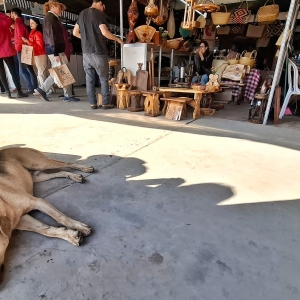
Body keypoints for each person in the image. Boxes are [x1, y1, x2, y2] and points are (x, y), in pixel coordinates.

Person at [73, 0, 124, 110]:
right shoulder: (99, 14)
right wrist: (117, 39)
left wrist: (87, 40)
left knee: (89, 78)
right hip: (98, 52)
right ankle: (106, 102)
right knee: (103, 78)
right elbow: (104, 32)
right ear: (100, 3)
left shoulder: (82, 14)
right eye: (103, 7)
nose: (103, 10)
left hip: (86, 53)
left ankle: (93, 103)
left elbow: (75, 32)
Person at [34, 0, 79, 102]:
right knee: (63, 72)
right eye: (59, 8)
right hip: (56, 51)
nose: (61, 11)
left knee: (57, 72)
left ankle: (42, 89)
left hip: (53, 50)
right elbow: (52, 37)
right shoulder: (52, 19)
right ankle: (67, 95)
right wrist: (55, 53)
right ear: (53, 7)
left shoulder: (49, 18)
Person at [0, 11, 28, 98]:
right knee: (13, 71)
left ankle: (7, 92)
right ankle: (19, 91)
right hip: (6, 49)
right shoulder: (2, 18)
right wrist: (5, 16)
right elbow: (9, 22)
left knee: (1, 72)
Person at [11, 7, 38, 94]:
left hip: (21, 49)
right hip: (26, 48)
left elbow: (20, 38)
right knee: (30, 69)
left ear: (14, 14)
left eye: (11, 14)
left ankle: (30, 88)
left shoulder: (18, 24)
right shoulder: (21, 23)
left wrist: (16, 45)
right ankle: (35, 87)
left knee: (22, 70)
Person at [22, 18, 48, 87]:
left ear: (37, 24)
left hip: (40, 55)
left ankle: (43, 89)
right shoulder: (33, 33)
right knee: (41, 73)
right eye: (30, 23)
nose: (31, 25)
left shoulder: (37, 33)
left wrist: (28, 42)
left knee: (41, 73)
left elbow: (40, 47)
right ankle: (46, 88)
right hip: (37, 55)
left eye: (32, 23)